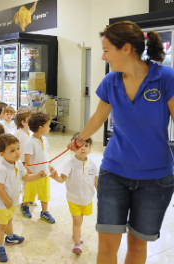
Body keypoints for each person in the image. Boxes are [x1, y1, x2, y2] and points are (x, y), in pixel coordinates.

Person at [67, 21, 174, 264]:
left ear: (126, 49)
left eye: (107, 50)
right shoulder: (111, 81)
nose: (104, 56)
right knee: (106, 246)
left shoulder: (165, 77)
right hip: (114, 172)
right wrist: (79, 139)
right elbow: (98, 117)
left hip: (156, 179)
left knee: (137, 244)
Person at [0, 134, 56, 262]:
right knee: (2, 225)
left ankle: (10, 238)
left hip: (11, 202)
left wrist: (38, 176)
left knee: (9, 220)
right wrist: (7, 201)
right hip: (2, 204)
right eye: (12, 150)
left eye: (18, 148)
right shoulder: (1, 168)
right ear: (2, 154)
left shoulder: (18, 164)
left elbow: (25, 177)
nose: (17, 152)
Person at [51, 133, 98, 255]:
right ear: (73, 147)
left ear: (90, 148)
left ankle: (76, 232)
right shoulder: (70, 164)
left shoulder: (93, 164)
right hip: (74, 199)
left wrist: (102, 196)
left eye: (86, 145)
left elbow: (96, 182)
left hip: (87, 199)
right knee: (77, 221)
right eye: (80, 145)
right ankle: (77, 242)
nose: (83, 148)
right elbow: (62, 179)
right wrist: (56, 177)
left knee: (80, 219)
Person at [20, 112, 55, 223]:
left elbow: (45, 155)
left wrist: (49, 166)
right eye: (48, 126)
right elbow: (27, 159)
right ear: (40, 128)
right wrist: (29, 171)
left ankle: (44, 212)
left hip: (45, 174)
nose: (49, 128)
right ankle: (24, 206)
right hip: (34, 175)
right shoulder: (30, 142)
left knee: (45, 195)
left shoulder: (44, 140)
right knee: (29, 194)